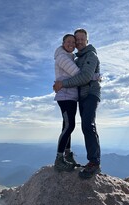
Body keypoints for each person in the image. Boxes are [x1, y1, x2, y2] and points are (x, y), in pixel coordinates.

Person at [53, 28, 101, 179]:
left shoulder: (90, 55)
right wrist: (93, 76)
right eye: (76, 39)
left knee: (87, 125)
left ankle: (94, 162)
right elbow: (82, 75)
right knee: (76, 125)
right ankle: (66, 156)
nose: (78, 42)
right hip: (80, 96)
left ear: (87, 40)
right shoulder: (76, 58)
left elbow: (84, 77)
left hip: (90, 94)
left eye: (81, 39)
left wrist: (62, 84)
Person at [53, 34, 81, 172]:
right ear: (63, 43)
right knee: (70, 126)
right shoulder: (62, 57)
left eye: (73, 42)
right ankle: (59, 159)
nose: (71, 44)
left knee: (67, 125)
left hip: (70, 95)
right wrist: (94, 76)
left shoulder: (69, 57)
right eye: (68, 41)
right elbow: (77, 73)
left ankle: (67, 155)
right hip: (65, 95)